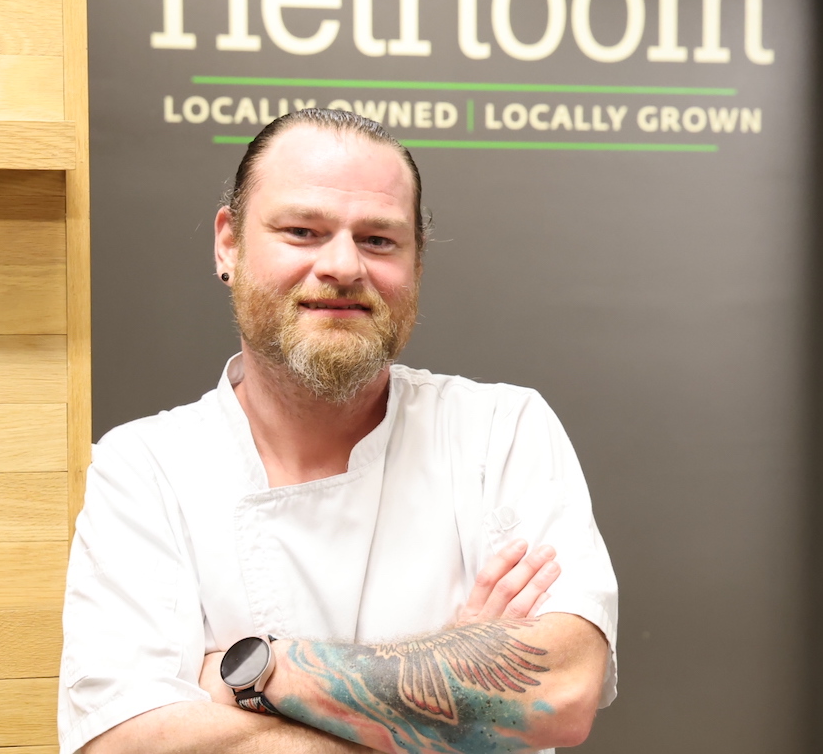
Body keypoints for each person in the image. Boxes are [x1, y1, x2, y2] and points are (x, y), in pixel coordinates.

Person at [59, 109, 618, 754]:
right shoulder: (144, 468)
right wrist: (454, 704)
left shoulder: (502, 432)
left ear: (416, 262)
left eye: (380, 239)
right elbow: (121, 744)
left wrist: (261, 671)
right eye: (302, 230)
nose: (344, 265)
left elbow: (562, 687)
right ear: (228, 245)